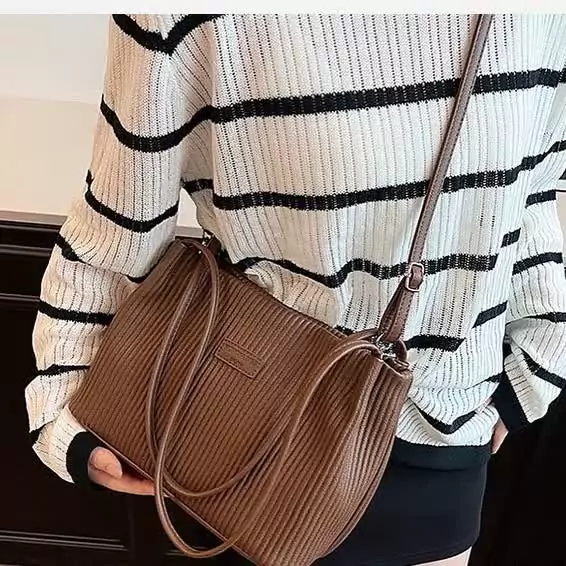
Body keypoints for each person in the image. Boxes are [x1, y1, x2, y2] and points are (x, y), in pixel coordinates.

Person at [25, 14, 566, 566]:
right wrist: (67, 396)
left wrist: (532, 366)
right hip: (253, 441)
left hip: (443, 457)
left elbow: (535, 185)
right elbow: (119, 223)